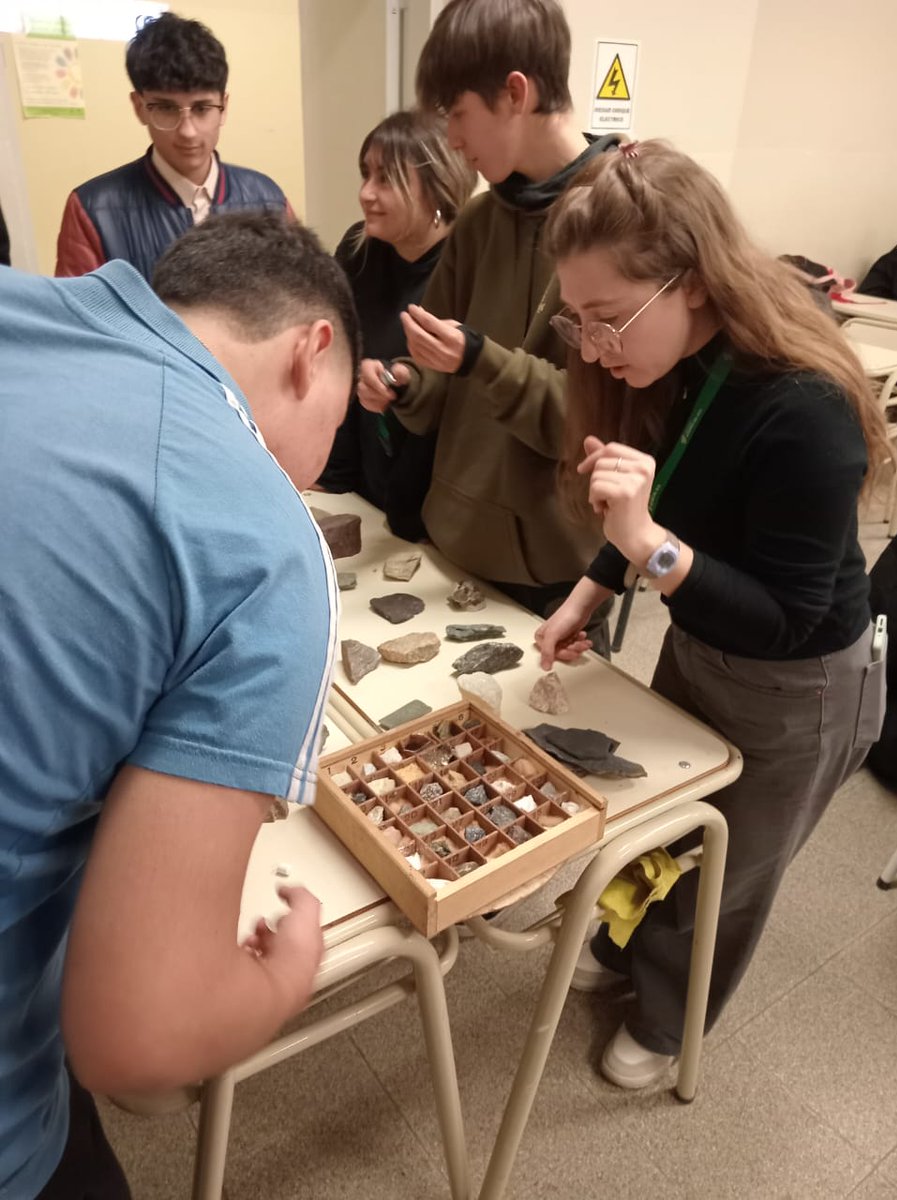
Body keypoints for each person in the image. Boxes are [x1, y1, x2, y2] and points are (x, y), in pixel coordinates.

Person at [0, 210, 359, 1197]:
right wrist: (285, 971)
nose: (314, 468)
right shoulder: (264, 538)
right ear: (310, 351)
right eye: (335, 426)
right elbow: (137, 1043)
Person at [535, 140, 889, 1089]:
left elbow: (781, 617)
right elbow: (668, 492)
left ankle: (666, 1024)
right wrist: (592, 588)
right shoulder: (683, 362)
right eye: (578, 321)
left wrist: (648, 542)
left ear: (689, 282)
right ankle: (626, 956)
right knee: (671, 825)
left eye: (609, 318)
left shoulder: (803, 405)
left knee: (729, 873)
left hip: (801, 680)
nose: (595, 346)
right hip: (704, 638)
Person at [357, 0, 618, 650]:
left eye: (457, 113)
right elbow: (438, 391)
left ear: (515, 94)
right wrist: (404, 386)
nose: (449, 138)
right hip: (455, 548)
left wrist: (482, 359)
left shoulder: (619, 221)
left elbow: (595, 428)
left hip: (556, 573)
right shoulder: (477, 224)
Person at [318, 109, 475, 541]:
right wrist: (335, 477)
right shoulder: (358, 249)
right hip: (367, 486)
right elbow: (337, 360)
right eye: (365, 175)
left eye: (386, 179)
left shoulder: (468, 266)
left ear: (437, 187)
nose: (366, 193)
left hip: (440, 509)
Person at [55, 13, 291, 282]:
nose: (188, 131)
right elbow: (77, 320)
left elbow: (295, 298)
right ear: (139, 107)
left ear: (224, 107)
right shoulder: (92, 208)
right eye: (166, 108)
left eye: (202, 109)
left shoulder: (268, 198)